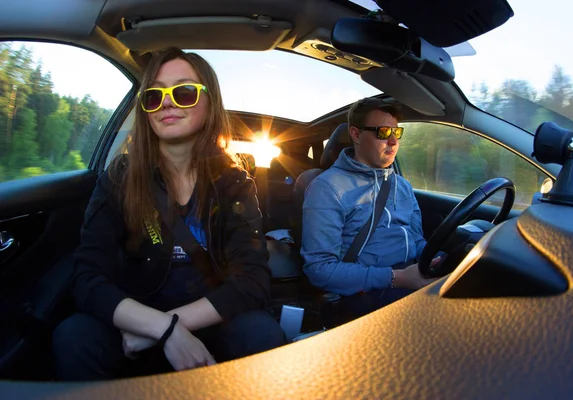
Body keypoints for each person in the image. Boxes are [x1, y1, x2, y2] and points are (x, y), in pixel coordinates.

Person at [52, 47, 286, 381]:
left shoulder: (234, 182)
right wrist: (161, 328)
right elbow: (88, 277)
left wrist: (171, 326)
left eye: (185, 91)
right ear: (146, 110)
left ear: (210, 101)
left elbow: (252, 281)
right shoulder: (120, 177)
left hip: (209, 321)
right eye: (154, 95)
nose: (166, 102)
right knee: (74, 336)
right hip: (134, 323)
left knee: (261, 333)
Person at [301, 98, 440, 322]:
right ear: (356, 135)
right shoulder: (327, 188)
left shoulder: (402, 185)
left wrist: (437, 259)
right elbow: (320, 270)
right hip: (364, 292)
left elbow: (416, 241)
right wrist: (398, 278)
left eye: (397, 132)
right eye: (384, 133)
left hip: (410, 277)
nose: (394, 141)